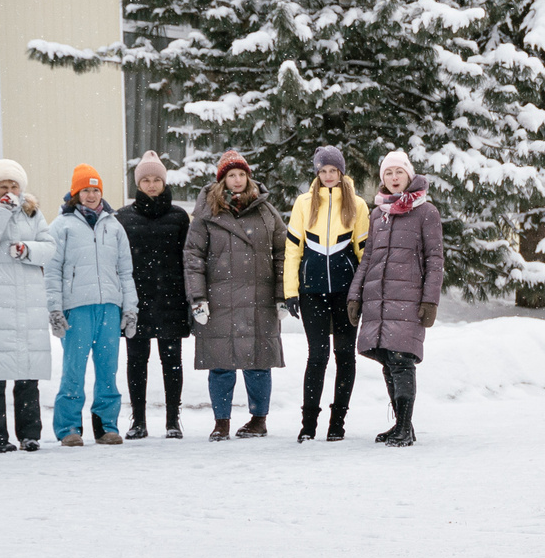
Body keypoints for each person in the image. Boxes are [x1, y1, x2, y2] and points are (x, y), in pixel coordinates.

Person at [187, 149, 286, 439]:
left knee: (258, 363)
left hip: (260, 298)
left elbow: (283, 251)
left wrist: (282, 295)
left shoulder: (266, 210)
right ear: (223, 179)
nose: (237, 179)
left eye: (242, 174)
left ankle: (258, 419)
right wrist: (198, 298)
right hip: (219, 301)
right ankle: (222, 422)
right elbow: (193, 257)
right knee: (221, 365)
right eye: (231, 175)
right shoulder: (207, 213)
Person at [346, 149, 442, 447]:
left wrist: (430, 300)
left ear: (409, 175)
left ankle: (403, 426)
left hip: (408, 298)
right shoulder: (379, 213)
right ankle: (404, 426)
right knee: (388, 360)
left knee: (402, 360)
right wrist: (355, 296)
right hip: (379, 298)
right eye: (388, 173)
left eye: (399, 172)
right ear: (383, 179)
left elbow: (435, 259)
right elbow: (369, 258)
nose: (394, 177)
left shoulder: (426, 212)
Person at [46, 163, 137, 447]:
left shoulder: (114, 225)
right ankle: (69, 427)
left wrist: (130, 308)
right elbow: (52, 271)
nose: (91, 195)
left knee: (108, 369)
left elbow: (125, 271)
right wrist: (55, 308)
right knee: (74, 369)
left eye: (95, 190)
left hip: (110, 307)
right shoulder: (61, 226)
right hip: (77, 308)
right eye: (85, 190)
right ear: (76, 193)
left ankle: (106, 426)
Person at [0, 158, 55, 452]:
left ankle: (29, 434)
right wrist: (1, 211)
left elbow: (50, 248)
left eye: (14, 186)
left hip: (27, 302)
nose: (9, 191)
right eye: (3, 187)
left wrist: (28, 249)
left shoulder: (33, 212)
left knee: (27, 373)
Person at [286, 146, 367, 442]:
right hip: (312, 291)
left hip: (346, 292)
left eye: (333, 170)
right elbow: (293, 249)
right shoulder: (304, 203)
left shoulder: (357, 204)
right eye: (323, 171)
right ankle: (308, 424)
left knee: (345, 355)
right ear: (317, 173)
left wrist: (363, 293)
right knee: (317, 356)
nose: (329, 176)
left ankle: (338, 422)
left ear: (341, 172)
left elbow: (364, 252)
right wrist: (290, 291)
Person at [116, 152, 192, 439]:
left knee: (172, 362)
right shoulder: (123, 217)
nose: (151, 185)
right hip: (137, 301)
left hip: (171, 299)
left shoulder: (179, 217)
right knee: (136, 361)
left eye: (156, 179)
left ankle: (173, 420)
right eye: (145, 180)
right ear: (138, 184)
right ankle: (138, 420)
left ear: (164, 182)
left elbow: (189, 260)